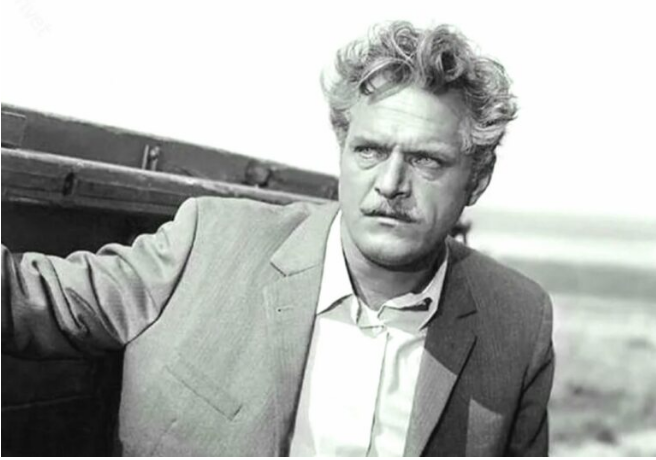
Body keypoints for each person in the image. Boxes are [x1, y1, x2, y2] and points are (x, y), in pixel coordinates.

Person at [1, 21, 554, 456]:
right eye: (369, 150)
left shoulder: (518, 322)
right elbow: (28, 298)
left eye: (426, 160)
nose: (390, 184)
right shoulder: (208, 241)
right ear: (343, 150)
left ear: (477, 179)